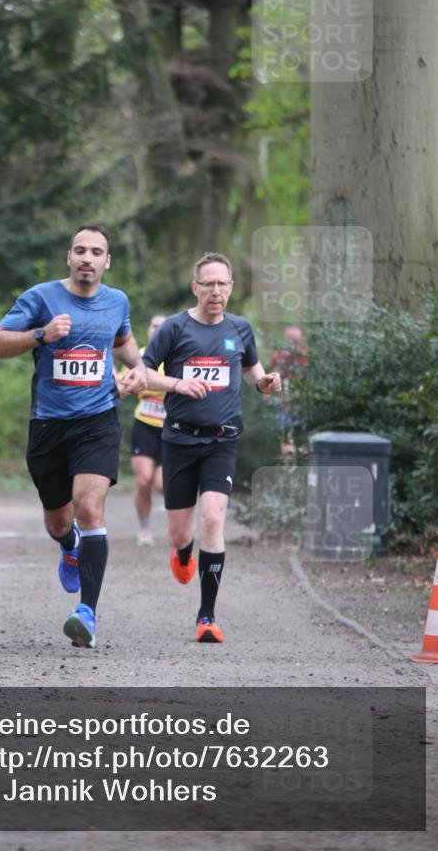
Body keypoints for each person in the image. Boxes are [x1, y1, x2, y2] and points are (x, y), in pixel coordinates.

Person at [0, 225, 147, 649]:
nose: (87, 258)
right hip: (49, 426)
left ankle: (86, 614)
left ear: (107, 261)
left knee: (89, 506)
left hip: (98, 421)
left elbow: (124, 342)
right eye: (80, 250)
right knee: (58, 521)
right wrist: (41, 334)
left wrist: (139, 370)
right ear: (69, 257)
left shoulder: (117, 301)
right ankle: (69, 543)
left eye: (96, 252)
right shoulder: (41, 298)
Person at [142, 252, 281, 644]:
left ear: (231, 288)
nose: (216, 291)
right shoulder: (174, 327)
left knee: (213, 519)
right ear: (195, 287)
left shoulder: (240, 328)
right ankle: (183, 552)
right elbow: (143, 372)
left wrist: (264, 383)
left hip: (222, 439)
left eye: (222, 284)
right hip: (179, 439)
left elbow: (252, 370)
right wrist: (177, 384)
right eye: (208, 284)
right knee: (179, 533)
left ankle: (207, 616)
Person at [118, 314, 167, 546]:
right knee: (143, 480)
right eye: (154, 326)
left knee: (162, 484)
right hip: (145, 425)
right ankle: (145, 528)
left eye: (163, 327)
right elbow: (122, 386)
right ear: (148, 330)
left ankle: (179, 523)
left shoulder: (179, 356)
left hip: (173, 429)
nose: (158, 330)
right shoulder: (137, 357)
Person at [269, 325, 309, 455]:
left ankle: (303, 454)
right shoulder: (279, 357)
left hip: (303, 400)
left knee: (304, 432)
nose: (293, 343)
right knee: (286, 430)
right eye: (290, 339)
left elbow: (308, 380)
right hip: (284, 399)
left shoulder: (306, 355)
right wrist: (283, 399)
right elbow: (274, 380)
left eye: (295, 340)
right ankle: (288, 457)